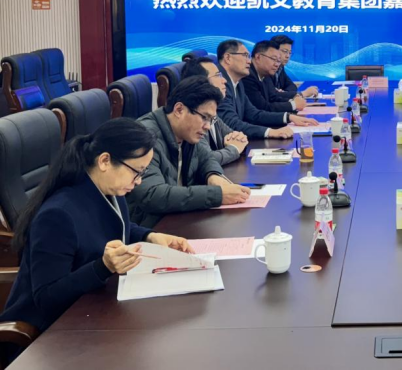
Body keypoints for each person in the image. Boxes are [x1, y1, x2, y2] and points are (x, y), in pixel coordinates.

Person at [0, 119, 193, 335]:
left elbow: (114, 226)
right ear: (105, 161)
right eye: (136, 172)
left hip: (89, 311)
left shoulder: (108, 190)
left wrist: (150, 236)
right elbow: (47, 298)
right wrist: (103, 267)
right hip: (45, 334)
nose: (138, 181)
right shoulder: (57, 216)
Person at [128, 77, 253, 227]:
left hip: (178, 217)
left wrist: (214, 176)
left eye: (211, 120)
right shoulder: (145, 137)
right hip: (149, 227)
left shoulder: (187, 133)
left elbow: (206, 158)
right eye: (204, 117)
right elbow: (152, 195)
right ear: (179, 110)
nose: (207, 126)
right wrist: (217, 195)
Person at [216, 39, 316, 141]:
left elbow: (253, 114)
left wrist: (288, 117)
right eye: (245, 55)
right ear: (228, 58)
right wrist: (270, 132)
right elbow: (231, 123)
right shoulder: (218, 83)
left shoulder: (237, 82)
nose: (249, 61)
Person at [181, 57, 249, 166]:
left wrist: (240, 141)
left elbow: (235, 138)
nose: (224, 80)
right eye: (218, 75)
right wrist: (234, 149)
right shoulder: (193, 115)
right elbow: (205, 159)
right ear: (200, 82)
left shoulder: (212, 112)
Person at [243, 40, 308, 114]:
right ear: (258, 57)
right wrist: (293, 105)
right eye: (274, 59)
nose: (277, 65)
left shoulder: (265, 73)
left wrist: (292, 101)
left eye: (278, 61)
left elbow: (272, 97)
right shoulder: (247, 76)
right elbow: (262, 108)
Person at [271, 34, 319, 99]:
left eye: (290, 53)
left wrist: (284, 94)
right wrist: (302, 94)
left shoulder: (280, 67)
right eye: (285, 51)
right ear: (273, 50)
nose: (288, 56)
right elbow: (271, 95)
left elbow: (292, 86)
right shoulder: (266, 69)